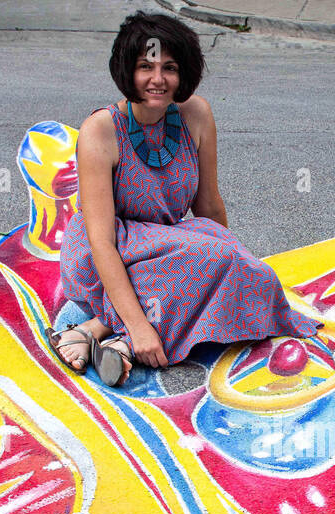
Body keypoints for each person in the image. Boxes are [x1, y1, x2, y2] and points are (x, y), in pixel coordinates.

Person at [51, 11, 317, 386]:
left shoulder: (196, 113)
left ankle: (94, 328)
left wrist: (228, 263)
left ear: (184, 72)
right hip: (106, 251)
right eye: (145, 66)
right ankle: (127, 342)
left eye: (170, 68)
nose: (158, 80)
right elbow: (101, 241)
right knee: (211, 265)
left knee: (254, 276)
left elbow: (207, 206)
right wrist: (141, 328)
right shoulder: (101, 130)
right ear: (127, 69)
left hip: (166, 244)